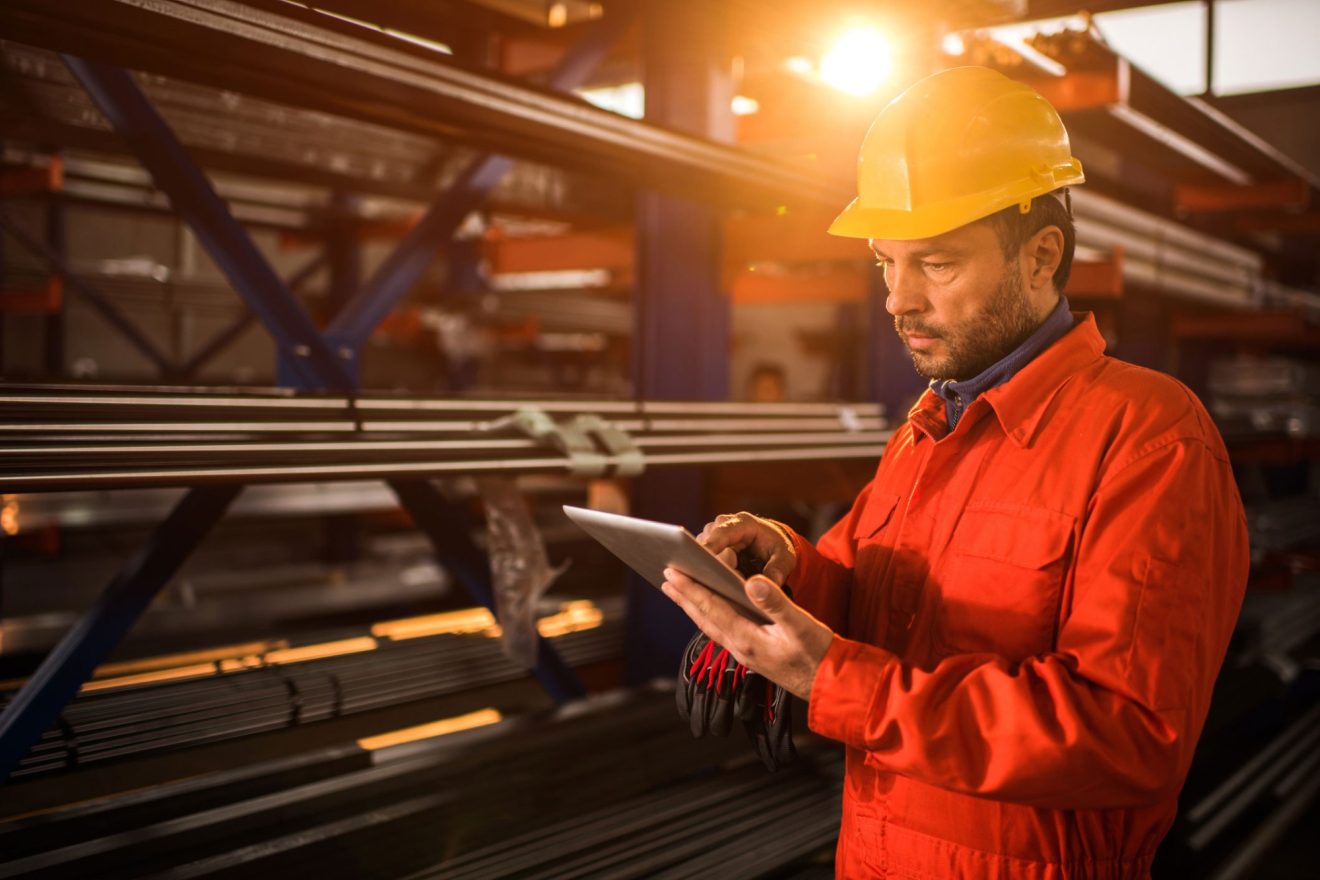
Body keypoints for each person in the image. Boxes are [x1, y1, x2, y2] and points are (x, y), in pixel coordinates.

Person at [660, 66, 1249, 878]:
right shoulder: (929, 426)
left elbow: (1126, 734)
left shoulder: (1150, 439)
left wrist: (834, 680)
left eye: (935, 265)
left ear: (1041, 256)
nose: (899, 302)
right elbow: (874, 595)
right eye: (885, 265)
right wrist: (791, 568)